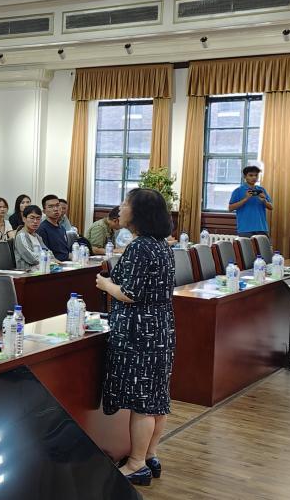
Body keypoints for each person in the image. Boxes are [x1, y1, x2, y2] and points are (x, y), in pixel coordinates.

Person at [95, 188, 177, 485]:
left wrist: (106, 285)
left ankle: (136, 463)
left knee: (142, 402)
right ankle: (151, 455)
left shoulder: (140, 246)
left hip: (140, 332)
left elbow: (130, 293)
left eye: (125, 203)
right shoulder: (162, 244)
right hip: (160, 328)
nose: (120, 207)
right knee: (156, 397)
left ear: (138, 212)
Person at [228, 164, 272, 237]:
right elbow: (230, 208)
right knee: (245, 245)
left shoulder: (261, 190)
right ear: (245, 176)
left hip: (261, 228)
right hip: (245, 229)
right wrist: (245, 199)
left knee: (264, 245)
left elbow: (271, 207)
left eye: (256, 175)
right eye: (251, 175)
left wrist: (264, 200)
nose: (254, 177)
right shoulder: (238, 191)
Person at [36, 195, 74, 261]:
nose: (56, 209)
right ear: (44, 211)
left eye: (57, 205)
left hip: (67, 262)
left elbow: (64, 251)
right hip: (55, 264)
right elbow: (45, 254)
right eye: (51, 207)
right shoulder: (42, 229)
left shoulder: (62, 228)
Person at [14, 205, 48, 270]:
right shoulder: (21, 236)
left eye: (38, 218)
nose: (35, 221)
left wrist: (51, 258)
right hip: (28, 271)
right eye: (32, 218)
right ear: (24, 219)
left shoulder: (37, 236)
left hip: (41, 268)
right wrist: (48, 259)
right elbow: (31, 257)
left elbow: (46, 251)